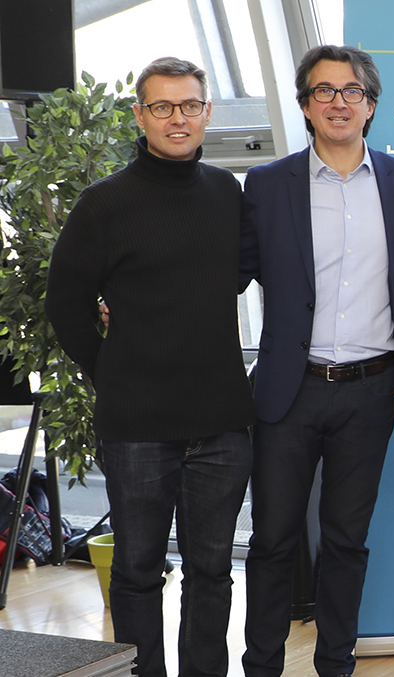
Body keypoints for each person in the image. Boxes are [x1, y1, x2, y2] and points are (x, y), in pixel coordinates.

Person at [44, 57, 254, 677]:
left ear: (208, 112)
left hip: (220, 421)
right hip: (136, 423)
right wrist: (111, 370)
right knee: (137, 570)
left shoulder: (227, 193)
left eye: (189, 105)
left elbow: (231, 278)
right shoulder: (104, 202)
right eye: (162, 106)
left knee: (213, 573)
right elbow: (65, 301)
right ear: (140, 115)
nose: (178, 118)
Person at [237, 45, 394, 677]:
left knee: (347, 542)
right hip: (289, 389)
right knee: (271, 542)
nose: (338, 102)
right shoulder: (266, 186)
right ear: (305, 105)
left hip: (370, 391)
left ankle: (336, 665)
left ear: (371, 105)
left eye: (352, 91)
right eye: (324, 91)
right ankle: (261, 665)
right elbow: (225, 275)